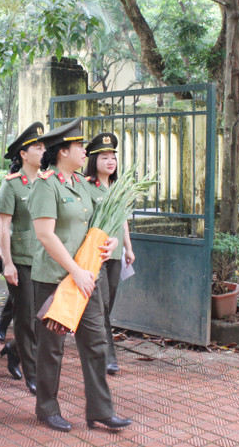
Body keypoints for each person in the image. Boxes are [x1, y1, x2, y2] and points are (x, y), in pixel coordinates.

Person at [28, 117, 131, 432]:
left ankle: (100, 410)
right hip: (55, 279)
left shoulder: (83, 185)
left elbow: (97, 227)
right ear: (63, 151)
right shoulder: (46, 184)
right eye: (79, 146)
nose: (85, 151)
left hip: (87, 278)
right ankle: (47, 408)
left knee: (96, 343)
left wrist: (111, 242)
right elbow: (45, 235)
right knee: (52, 348)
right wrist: (75, 271)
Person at [0, 121, 45, 395]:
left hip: (46, 260)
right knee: (26, 319)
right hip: (22, 259)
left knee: (42, 317)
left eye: (43, 147)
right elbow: (4, 226)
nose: (43, 151)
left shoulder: (49, 182)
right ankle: (33, 373)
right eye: (37, 147)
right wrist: (7, 263)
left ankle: (14, 350)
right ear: (23, 154)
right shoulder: (11, 185)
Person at [84, 132, 136, 375]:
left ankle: (95, 343)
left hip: (115, 256)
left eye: (112, 157)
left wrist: (128, 247)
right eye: (104, 157)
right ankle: (107, 355)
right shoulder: (86, 186)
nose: (110, 161)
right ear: (94, 160)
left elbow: (123, 219)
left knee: (108, 304)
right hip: (96, 255)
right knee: (101, 304)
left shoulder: (118, 187)